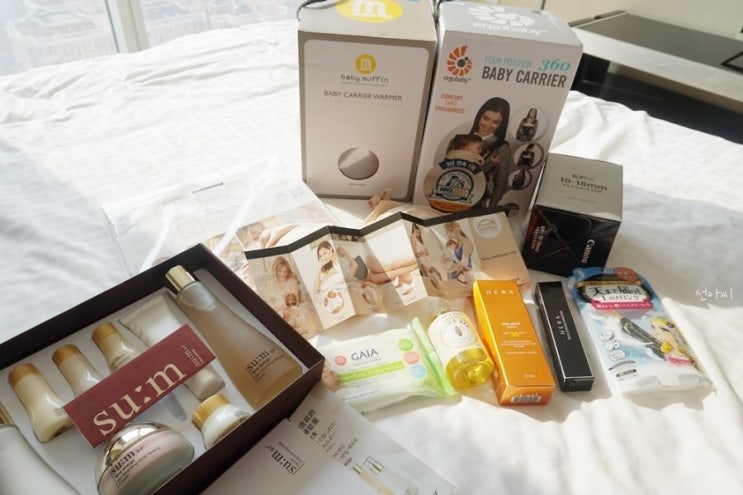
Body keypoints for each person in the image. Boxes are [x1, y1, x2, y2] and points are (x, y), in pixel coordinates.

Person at [469, 97, 512, 208]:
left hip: (476, 203)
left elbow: (500, 183)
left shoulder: (502, 148)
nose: (488, 125)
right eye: (486, 118)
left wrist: (490, 208)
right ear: (479, 116)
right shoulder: (459, 139)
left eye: (495, 122)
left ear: (501, 124)